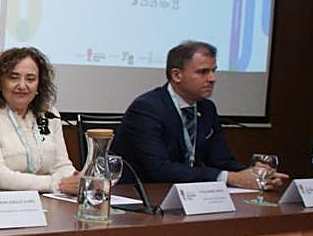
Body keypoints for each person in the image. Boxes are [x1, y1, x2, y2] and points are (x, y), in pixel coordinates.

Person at [112, 40, 288, 188]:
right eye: (203, 72)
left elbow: (221, 160)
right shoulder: (147, 108)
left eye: (213, 71)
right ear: (177, 75)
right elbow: (159, 169)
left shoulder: (207, 109)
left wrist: (251, 174)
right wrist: (230, 178)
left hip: (187, 195)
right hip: (142, 196)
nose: (212, 78)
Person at [0, 47, 79, 194]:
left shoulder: (49, 114)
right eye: (14, 77)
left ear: (39, 85)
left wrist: (78, 181)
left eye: (30, 79)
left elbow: (61, 165)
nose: (22, 86)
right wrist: (57, 183)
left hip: (39, 200)